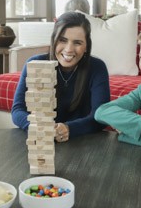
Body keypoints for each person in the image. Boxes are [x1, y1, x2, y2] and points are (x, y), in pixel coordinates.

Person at [11, 12, 110, 141]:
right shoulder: (35, 63)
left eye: (77, 43)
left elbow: (101, 117)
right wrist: (37, 128)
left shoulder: (97, 68)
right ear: (54, 40)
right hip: (42, 140)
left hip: (81, 141)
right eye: (62, 40)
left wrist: (69, 128)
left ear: (86, 46)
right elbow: (17, 110)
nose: (69, 49)